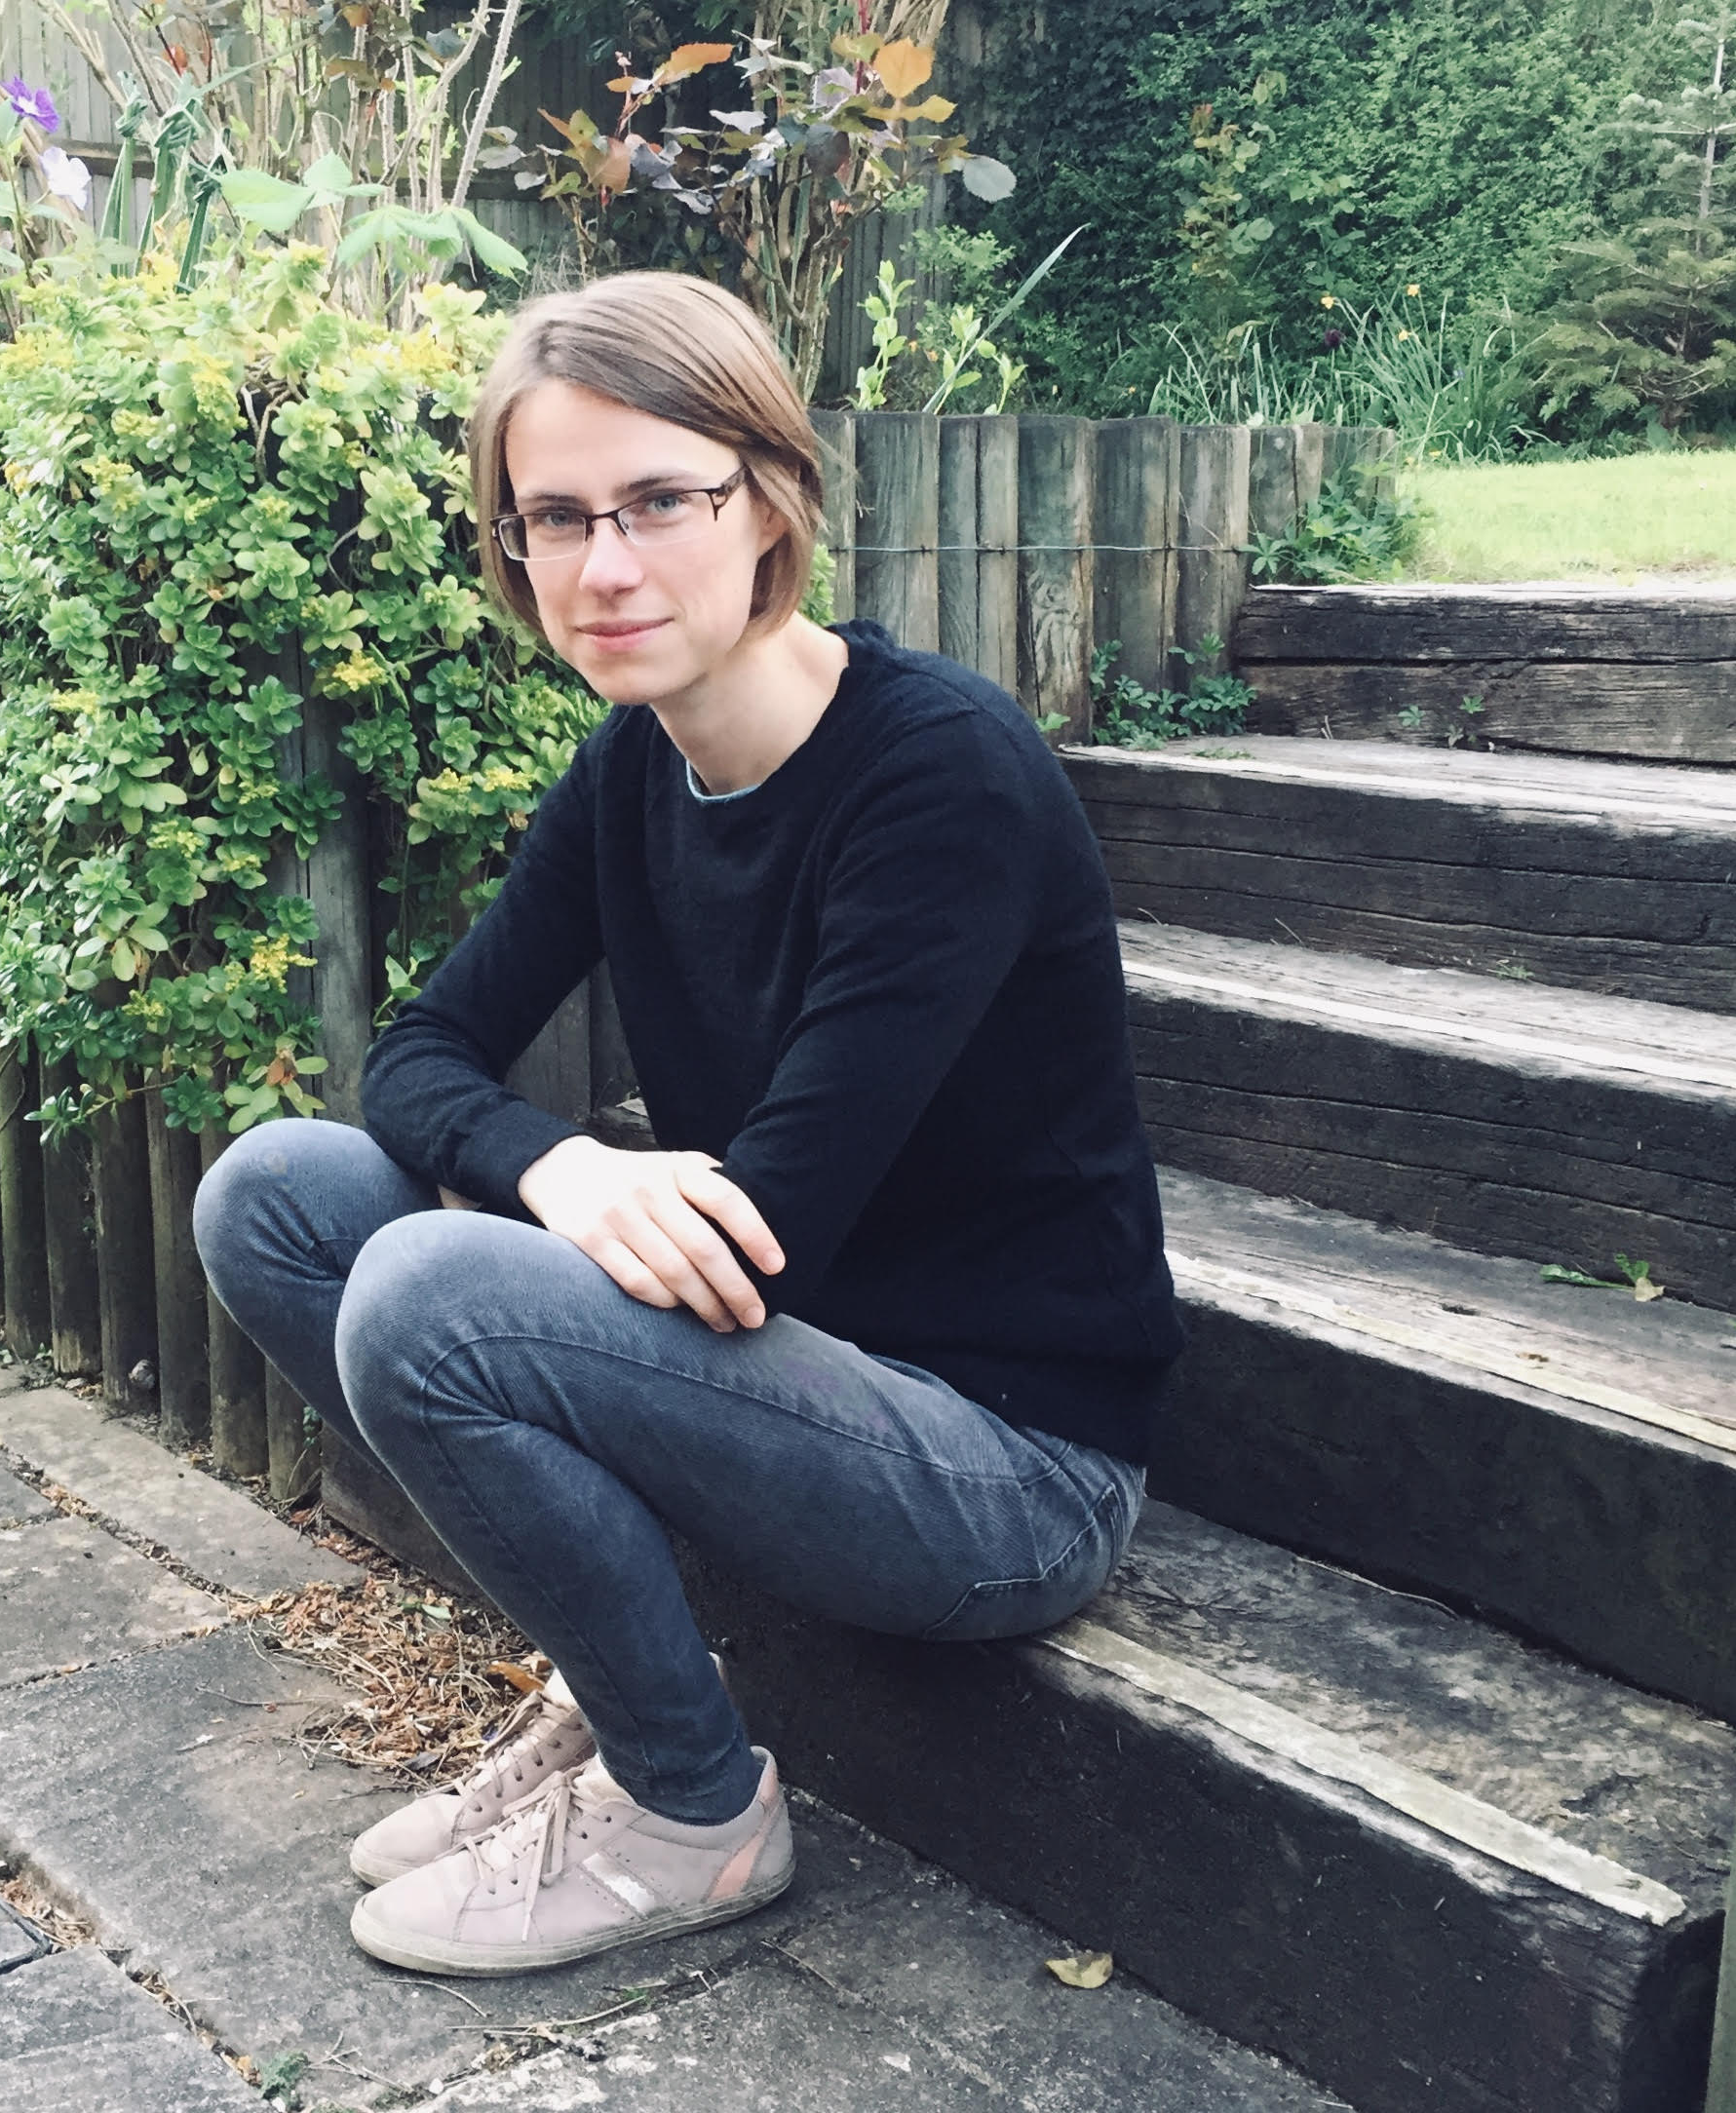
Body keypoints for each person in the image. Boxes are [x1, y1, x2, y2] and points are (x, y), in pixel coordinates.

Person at [192, 272, 1180, 1979]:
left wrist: (532, 1214)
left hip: (1004, 1468)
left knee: (432, 1295)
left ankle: (691, 1810)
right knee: (276, 1196)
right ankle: (615, 1691)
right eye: (554, 519)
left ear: (772, 494)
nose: (606, 566)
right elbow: (420, 1053)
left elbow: (773, 1216)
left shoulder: (939, 776)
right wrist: (559, 1161)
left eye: (661, 499)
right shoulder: (639, 764)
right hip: (791, 1381)